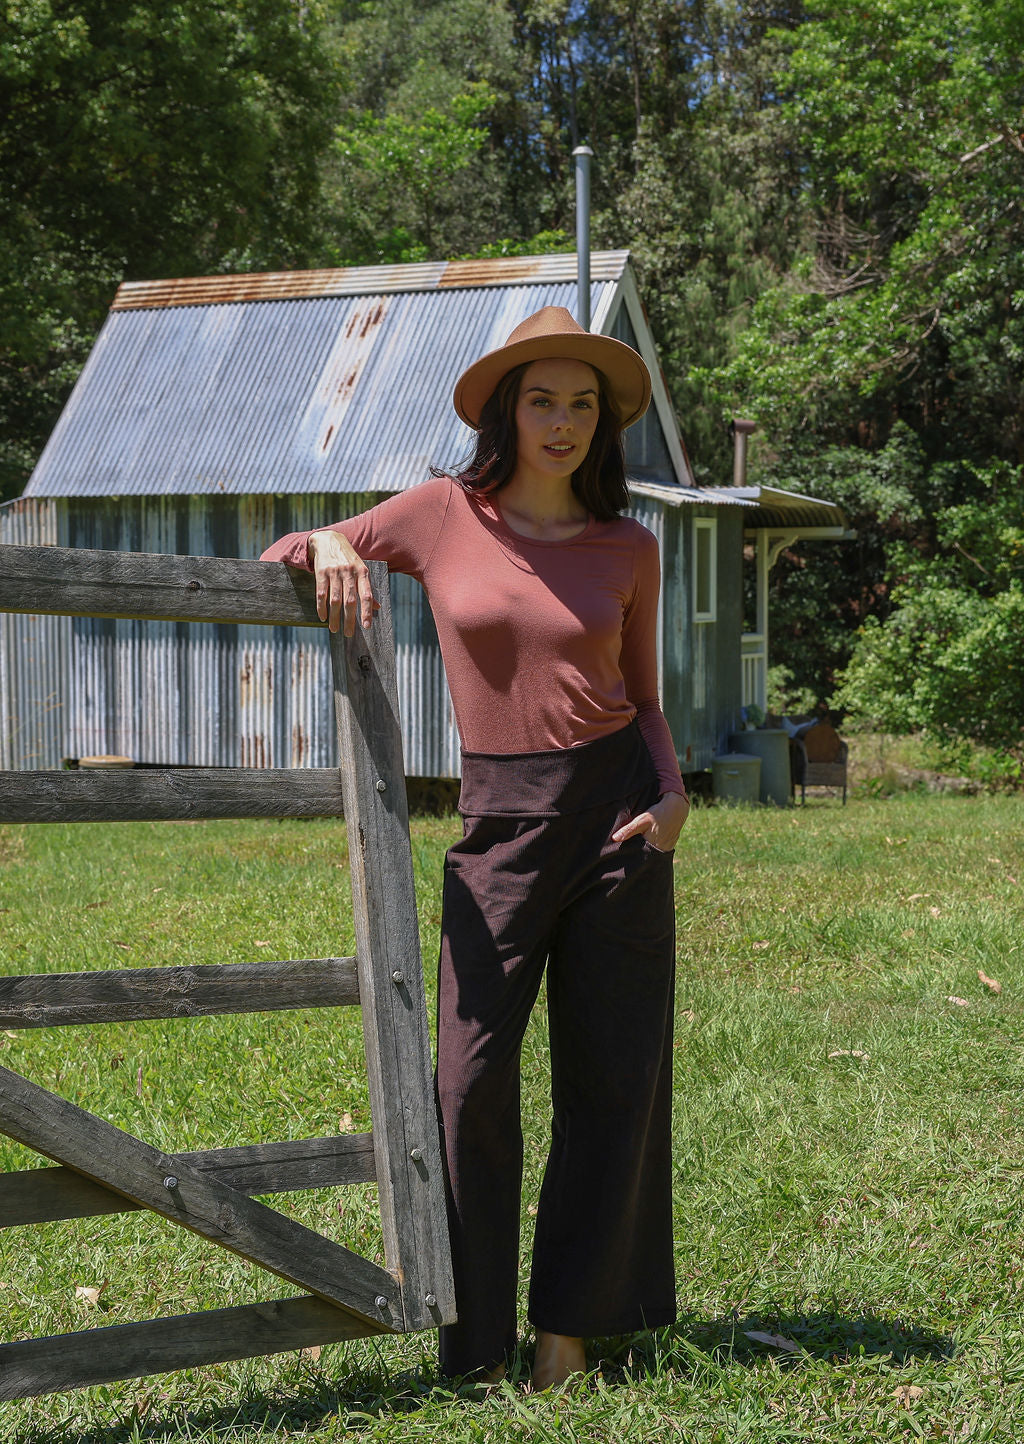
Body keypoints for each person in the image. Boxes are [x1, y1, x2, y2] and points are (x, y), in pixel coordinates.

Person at [261, 306, 689, 1391]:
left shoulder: (629, 544)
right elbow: (296, 550)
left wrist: (675, 794)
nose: (563, 422)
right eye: (541, 399)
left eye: (582, 403)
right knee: (469, 1082)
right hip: (500, 817)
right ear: (506, 411)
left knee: (615, 1075)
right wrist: (330, 541)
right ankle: (473, 1340)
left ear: (604, 422)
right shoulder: (444, 513)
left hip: (619, 813)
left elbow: (641, 694)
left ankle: (568, 1336)